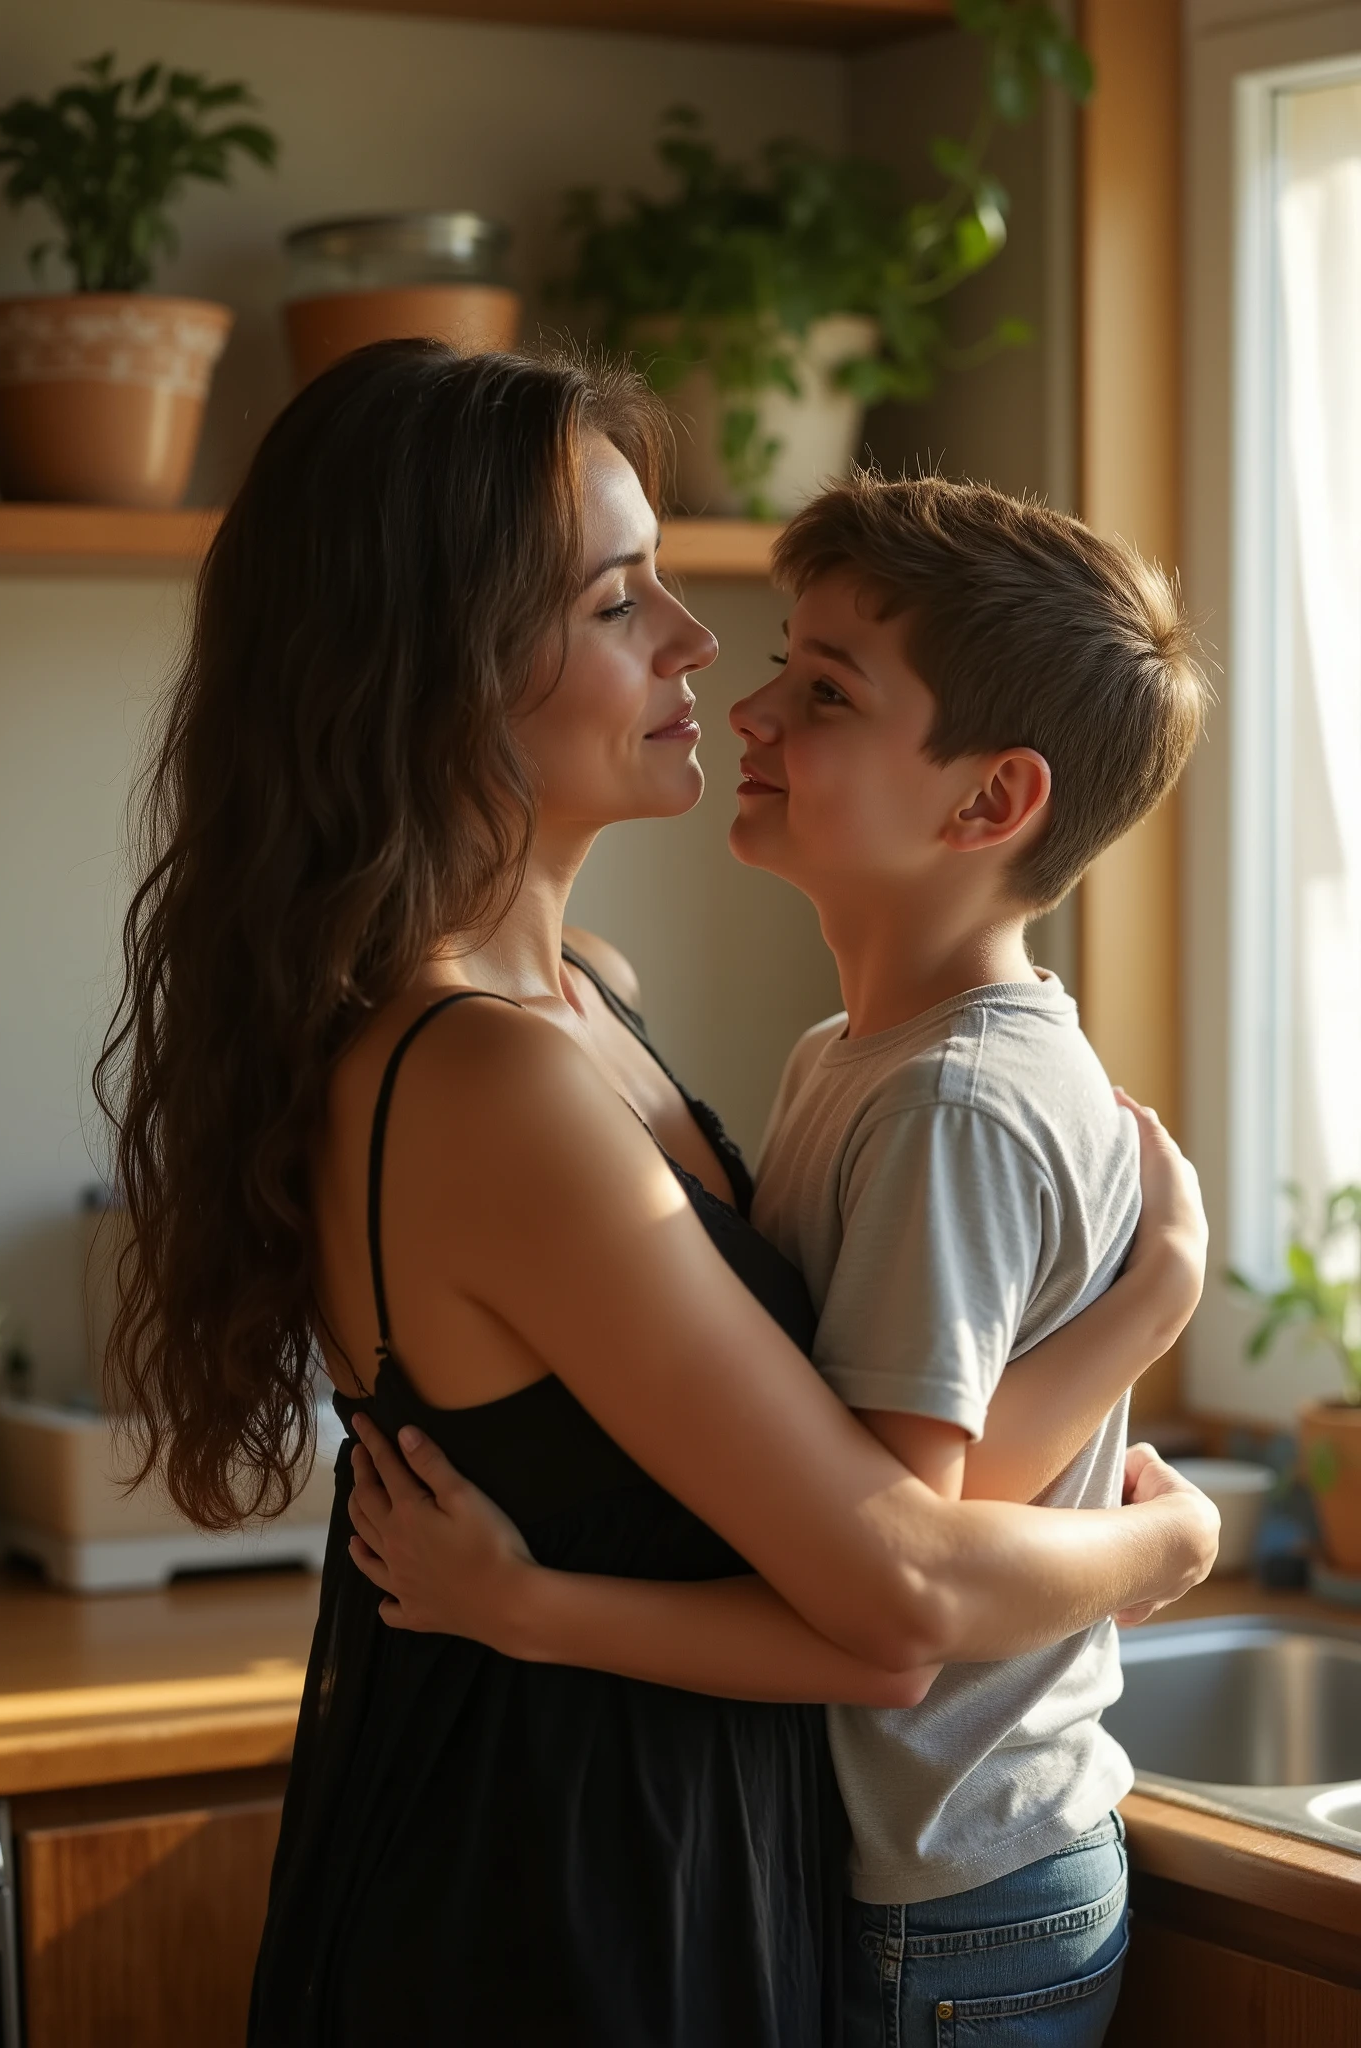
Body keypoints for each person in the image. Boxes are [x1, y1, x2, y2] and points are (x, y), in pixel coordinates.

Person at [98, 340, 1216, 2048]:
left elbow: (854, 1497)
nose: (701, 642)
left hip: (667, 1852)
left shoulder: (586, 1001)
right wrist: (1165, 1531)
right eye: (622, 602)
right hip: (566, 1902)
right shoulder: (489, 1083)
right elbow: (895, 1596)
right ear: (444, 671)